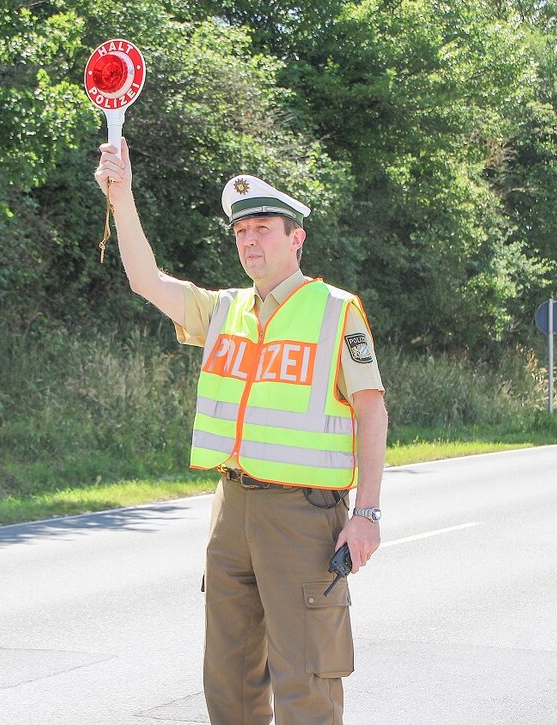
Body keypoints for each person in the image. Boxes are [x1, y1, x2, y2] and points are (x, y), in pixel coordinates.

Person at [94, 138, 388, 725]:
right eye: (240, 232)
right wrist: (121, 198)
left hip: (304, 517)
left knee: (305, 682)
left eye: (262, 228)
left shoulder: (335, 310)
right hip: (232, 512)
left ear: (295, 237)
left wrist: (368, 514)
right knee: (228, 683)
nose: (249, 240)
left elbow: (372, 412)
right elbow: (146, 281)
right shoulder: (224, 309)